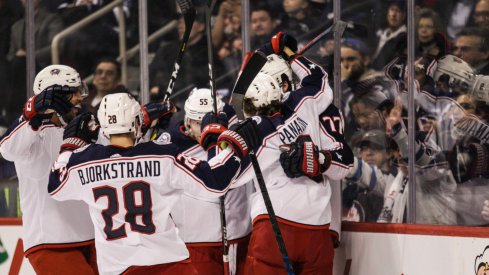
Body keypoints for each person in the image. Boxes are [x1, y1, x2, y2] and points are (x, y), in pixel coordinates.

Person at [48, 92, 259, 275]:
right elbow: (216, 182)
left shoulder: (82, 162)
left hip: (118, 269)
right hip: (171, 265)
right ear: (137, 121)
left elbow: (55, 187)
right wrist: (234, 144)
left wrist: (68, 147)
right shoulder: (163, 155)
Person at [228, 32, 340, 273]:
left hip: (274, 219)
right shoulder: (305, 102)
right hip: (318, 222)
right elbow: (318, 78)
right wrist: (290, 54)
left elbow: (230, 177)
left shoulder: (257, 125)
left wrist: (217, 134)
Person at [0, 64, 98, 274]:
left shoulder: (85, 127)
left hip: (94, 238)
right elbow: (7, 149)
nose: (81, 97)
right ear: (55, 97)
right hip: (51, 242)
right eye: (74, 92)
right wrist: (31, 113)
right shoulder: (33, 133)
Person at [154, 88, 252, 275]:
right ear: (188, 121)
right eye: (200, 123)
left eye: (211, 122)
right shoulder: (170, 148)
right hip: (196, 242)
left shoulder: (232, 134)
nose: (206, 128)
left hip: (241, 237)